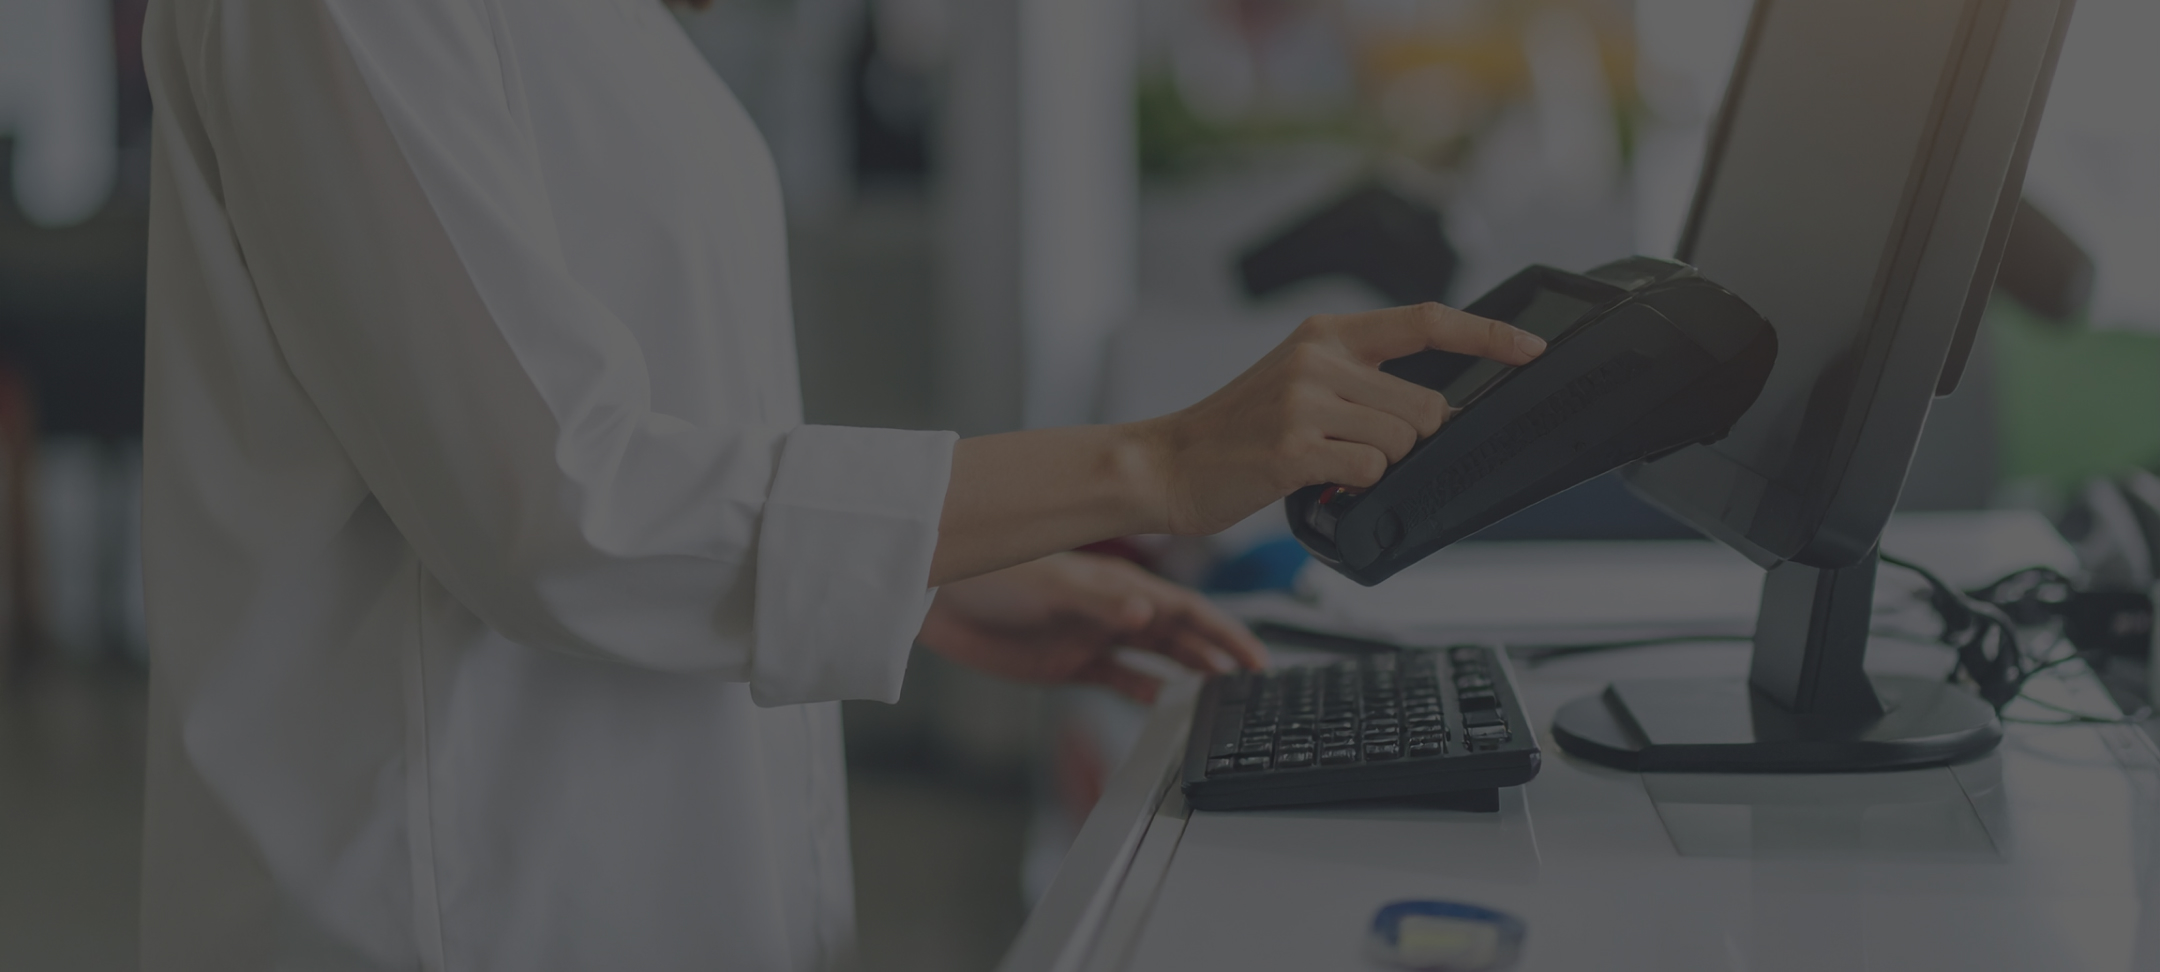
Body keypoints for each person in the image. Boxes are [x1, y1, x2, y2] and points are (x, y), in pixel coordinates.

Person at [136, 1, 1545, 969]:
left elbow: (630, 433)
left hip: (635, 868)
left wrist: (930, 581)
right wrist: (1158, 464)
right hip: (451, 908)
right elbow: (564, 506)